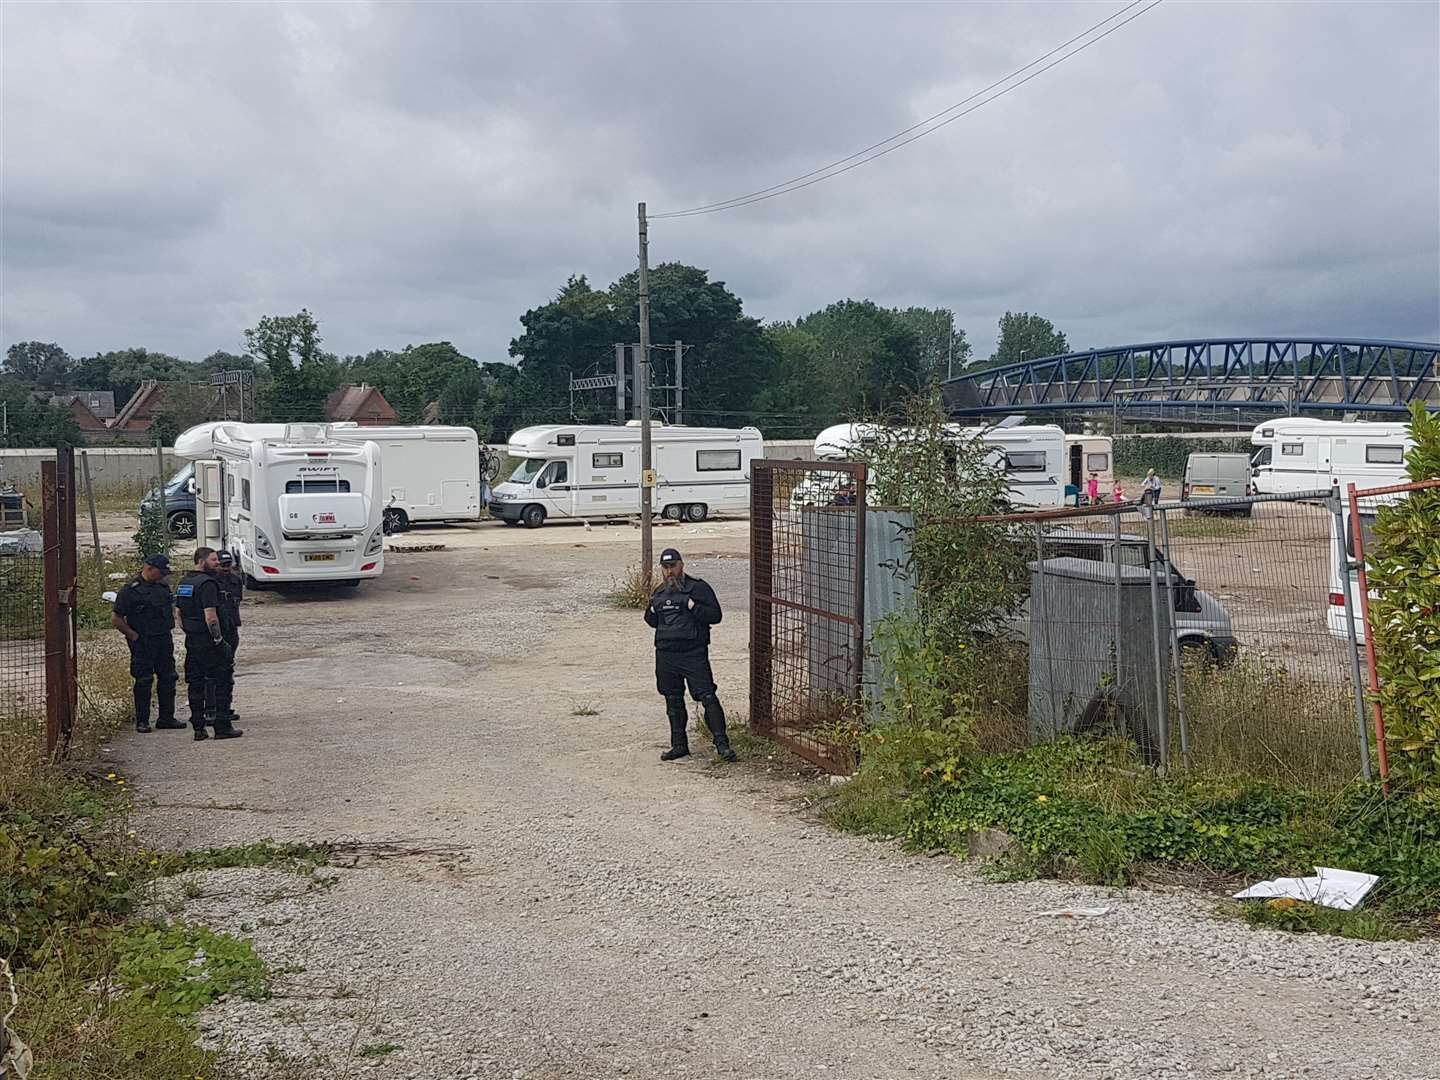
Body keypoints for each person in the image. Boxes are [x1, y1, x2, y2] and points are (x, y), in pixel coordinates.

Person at [643, 547, 735, 762]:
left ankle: (722, 745)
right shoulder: (659, 592)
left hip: (693, 653)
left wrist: (692, 607)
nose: (669, 572)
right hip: (666, 654)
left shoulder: (698, 588)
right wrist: (652, 610)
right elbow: (652, 621)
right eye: (665, 568)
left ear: (681, 565)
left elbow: (715, 616)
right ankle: (679, 745)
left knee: (707, 697)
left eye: (672, 566)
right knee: (672, 698)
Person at [111, 554, 184, 733]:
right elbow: (116, 618)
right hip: (143, 641)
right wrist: (133, 635)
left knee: (168, 677)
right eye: (161, 572)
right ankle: (142, 721)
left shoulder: (162, 587)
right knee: (144, 680)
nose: (163, 576)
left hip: (163, 639)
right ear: (149, 568)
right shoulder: (130, 591)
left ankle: (166, 718)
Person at [176, 547, 242, 741]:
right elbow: (210, 616)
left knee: (195, 684)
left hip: (193, 641)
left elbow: (178, 614)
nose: (217, 563)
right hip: (210, 642)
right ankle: (222, 727)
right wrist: (219, 640)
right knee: (222, 682)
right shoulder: (208, 584)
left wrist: (191, 631)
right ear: (201, 561)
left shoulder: (185, 583)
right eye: (213, 560)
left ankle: (198, 728)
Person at [211, 550, 244, 727]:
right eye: (222, 565)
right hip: (217, 630)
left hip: (231, 628)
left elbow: (237, 602)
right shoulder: (211, 583)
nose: (225, 568)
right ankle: (212, 709)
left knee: (227, 669)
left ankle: (225, 707)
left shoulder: (235, 581)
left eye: (228, 564)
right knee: (214, 672)